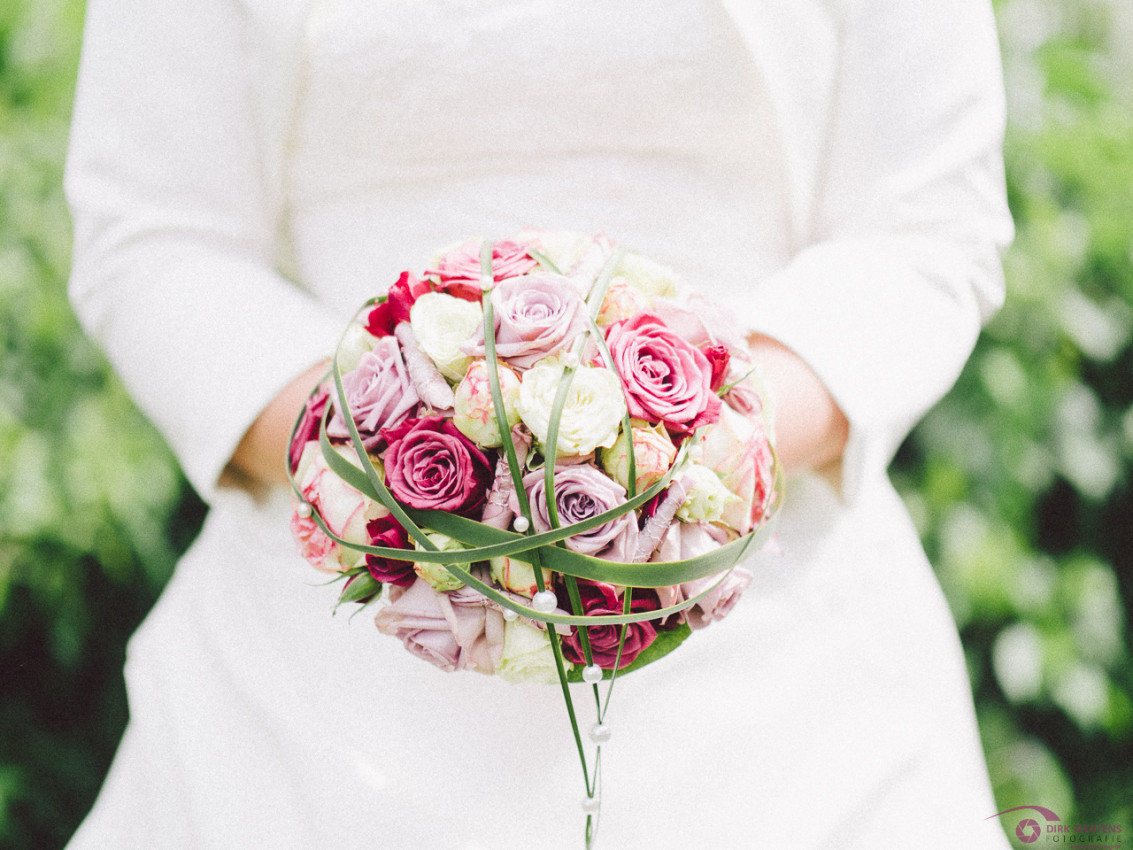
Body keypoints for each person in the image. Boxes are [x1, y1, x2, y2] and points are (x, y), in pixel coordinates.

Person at [64, 0, 1015, 847]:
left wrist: (691, 468)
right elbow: (155, 235)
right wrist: (390, 466)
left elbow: (922, 226)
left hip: (784, 677)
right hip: (325, 680)